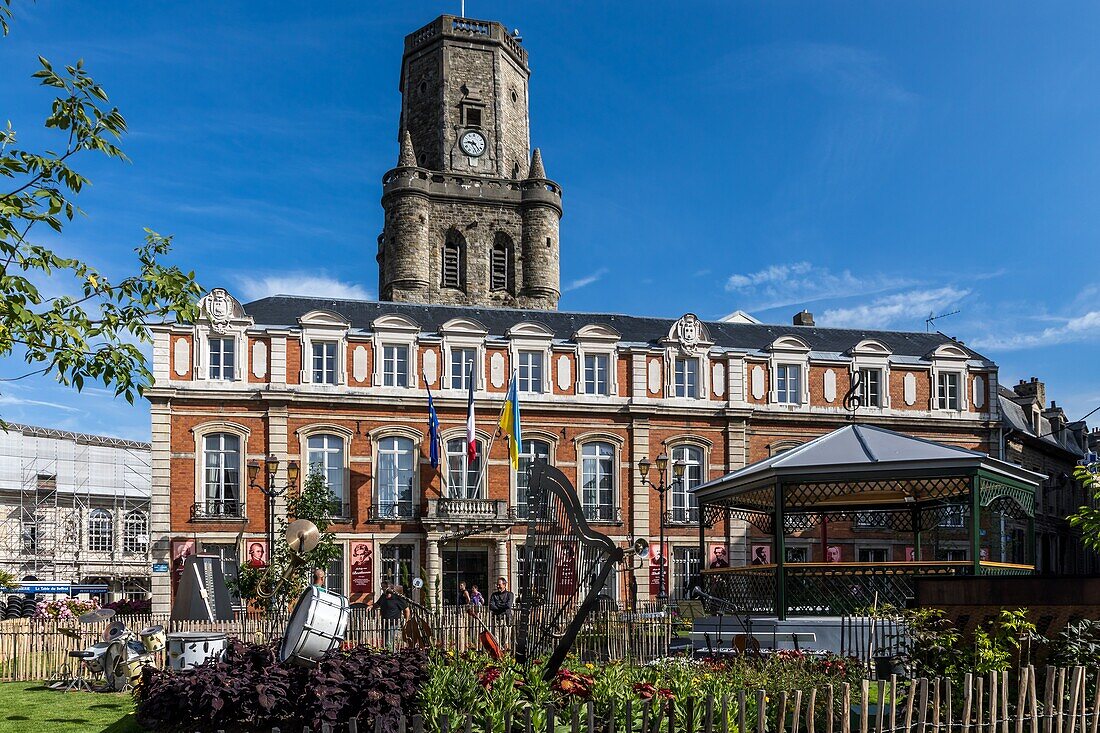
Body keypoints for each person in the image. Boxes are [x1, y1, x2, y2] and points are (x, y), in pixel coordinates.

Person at [373, 583, 410, 651]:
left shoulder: (397, 598)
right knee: (384, 641)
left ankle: (392, 655)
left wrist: (406, 621)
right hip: (384, 622)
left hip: (393, 623)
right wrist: (371, 606)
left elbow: (406, 610)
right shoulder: (383, 597)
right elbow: (377, 604)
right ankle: (388, 654)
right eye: (383, 588)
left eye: (385, 588)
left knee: (389, 641)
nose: (383, 589)